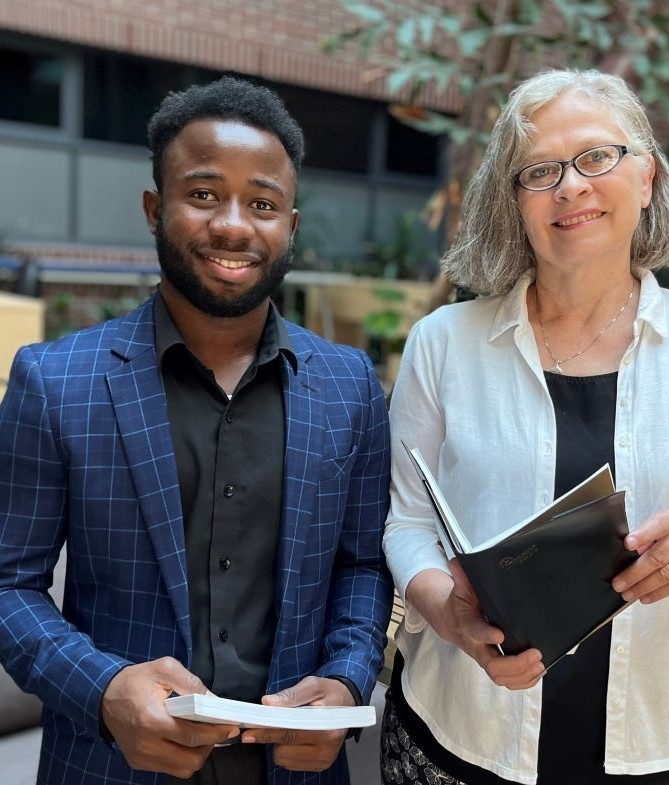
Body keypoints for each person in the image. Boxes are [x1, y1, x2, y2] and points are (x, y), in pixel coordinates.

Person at [382, 69, 669, 785]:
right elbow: (405, 520)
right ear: (513, 202)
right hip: (462, 738)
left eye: (597, 157)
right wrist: (446, 613)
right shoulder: (444, 342)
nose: (570, 186)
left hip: (658, 742)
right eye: (539, 171)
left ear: (646, 177)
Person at [0, 76, 393, 785]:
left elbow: (361, 565)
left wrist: (347, 679)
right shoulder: (54, 381)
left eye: (262, 202)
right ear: (155, 208)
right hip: (109, 767)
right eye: (204, 193)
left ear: (290, 225)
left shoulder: (350, 385)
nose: (234, 225)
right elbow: (7, 584)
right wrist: (102, 688)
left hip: (294, 771)